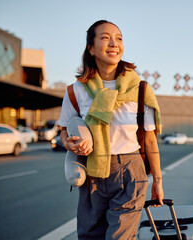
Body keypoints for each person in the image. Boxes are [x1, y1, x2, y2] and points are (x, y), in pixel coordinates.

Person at [58, 20, 164, 240]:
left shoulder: (139, 88)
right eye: (105, 38)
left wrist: (158, 182)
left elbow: (151, 141)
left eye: (119, 38)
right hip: (92, 173)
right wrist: (68, 142)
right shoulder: (75, 91)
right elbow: (63, 131)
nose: (114, 43)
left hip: (130, 172)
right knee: (89, 235)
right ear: (91, 48)